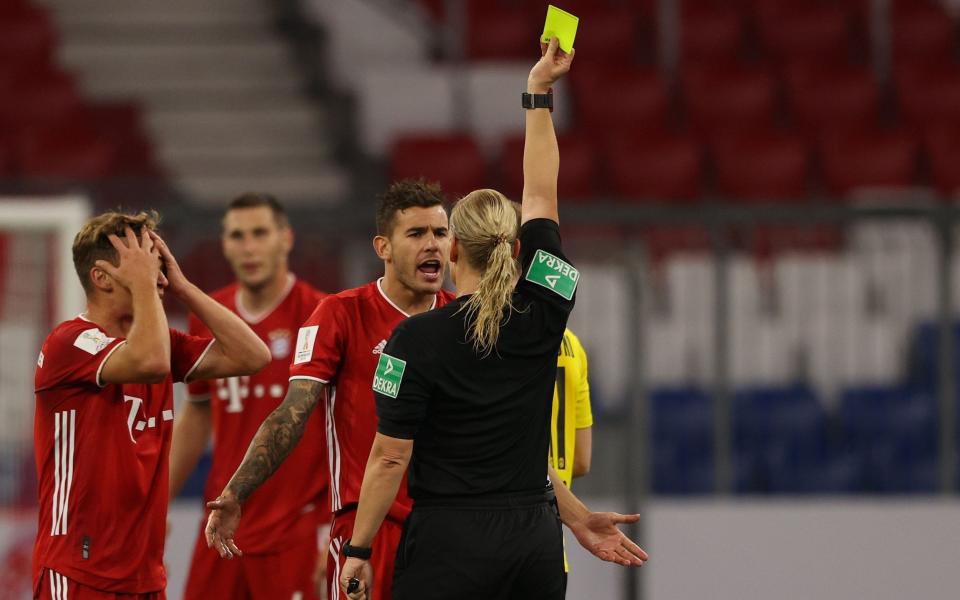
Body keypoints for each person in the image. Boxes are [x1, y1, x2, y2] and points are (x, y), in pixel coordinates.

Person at [335, 38, 647, 600]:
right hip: (532, 537)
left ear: (452, 249)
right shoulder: (550, 305)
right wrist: (537, 93)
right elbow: (542, 192)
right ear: (517, 246)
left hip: (450, 540)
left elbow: (388, 457)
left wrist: (358, 550)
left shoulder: (414, 339)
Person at [203, 178, 455, 600]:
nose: (432, 245)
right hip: (367, 530)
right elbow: (293, 412)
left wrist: (572, 517)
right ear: (383, 248)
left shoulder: (464, 320)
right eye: (416, 233)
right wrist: (235, 492)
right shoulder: (339, 314)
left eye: (440, 233)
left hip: (450, 527)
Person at [32, 210, 270, 599]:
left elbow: (252, 355)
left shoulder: (162, 344)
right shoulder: (69, 343)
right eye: (143, 264)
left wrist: (184, 287)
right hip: (78, 569)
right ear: (102, 278)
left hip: (144, 575)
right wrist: (145, 284)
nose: (157, 276)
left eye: (158, 265)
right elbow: (149, 362)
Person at [167, 194, 330, 600]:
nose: (249, 246)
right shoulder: (211, 314)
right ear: (224, 245)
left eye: (260, 233)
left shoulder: (321, 313)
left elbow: (348, 425)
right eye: (238, 236)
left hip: (294, 529)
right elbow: (198, 414)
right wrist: (156, 501)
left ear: (286, 239)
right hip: (221, 524)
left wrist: (340, 528)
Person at [551, 328, 594, 591]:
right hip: (553, 549)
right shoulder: (572, 343)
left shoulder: (496, 335)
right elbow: (581, 460)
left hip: (495, 531)